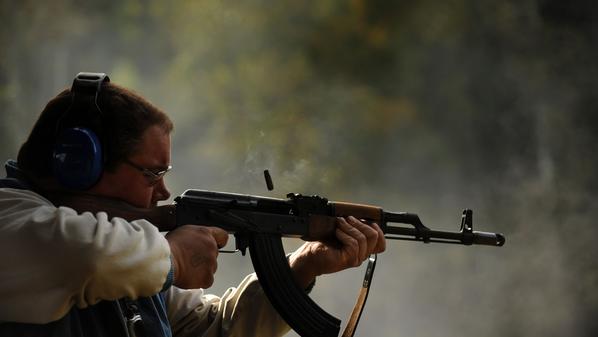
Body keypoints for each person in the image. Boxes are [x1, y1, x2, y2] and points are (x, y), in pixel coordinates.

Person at [0, 73, 386, 337]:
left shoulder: (133, 258)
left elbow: (215, 328)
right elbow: (86, 255)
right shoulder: (13, 219)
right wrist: (175, 257)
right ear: (80, 168)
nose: (164, 191)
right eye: (151, 174)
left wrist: (303, 267)